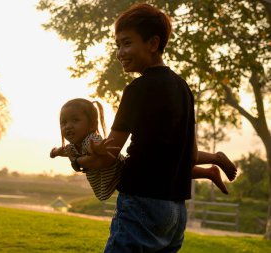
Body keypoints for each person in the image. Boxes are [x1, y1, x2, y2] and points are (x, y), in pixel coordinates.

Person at [63, 3, 236, 252]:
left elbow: (109, 154)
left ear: (153, 44)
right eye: (117, 45)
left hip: (140, 202)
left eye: (127, 43)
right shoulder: (183, 88)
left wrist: (77, 162)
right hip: (175, 211)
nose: (120, 52)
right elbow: (187, 155)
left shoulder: (136, 89)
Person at [50, 98, 236, 202]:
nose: (68, 126)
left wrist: (97, 150)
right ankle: (210, 171)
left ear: (91, 124)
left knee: (168, 167)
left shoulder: (91, 139)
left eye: (75, 120)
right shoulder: (74, 147)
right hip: (122, 176)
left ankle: (215, 160)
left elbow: (98, 153)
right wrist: (55, 152)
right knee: (169, 170)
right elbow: (64, 151)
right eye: (63, 122)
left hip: (126, 170)